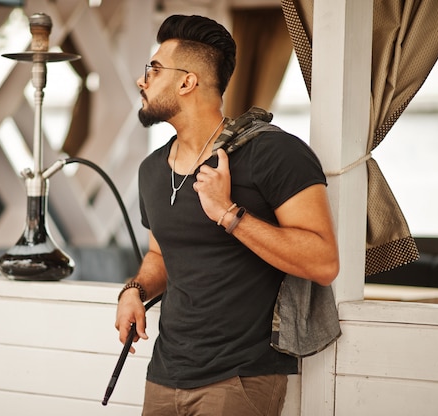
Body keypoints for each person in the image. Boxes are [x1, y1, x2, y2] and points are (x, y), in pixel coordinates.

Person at [115, 14, 339, 416]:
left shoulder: (274, 154)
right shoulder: (152, 170)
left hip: (240, 379)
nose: (141, 80)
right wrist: (136, 290)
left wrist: (229, 214)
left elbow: (323, 261)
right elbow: (160, 256)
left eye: (154, 68)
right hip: (164, 376)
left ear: (187, 81)